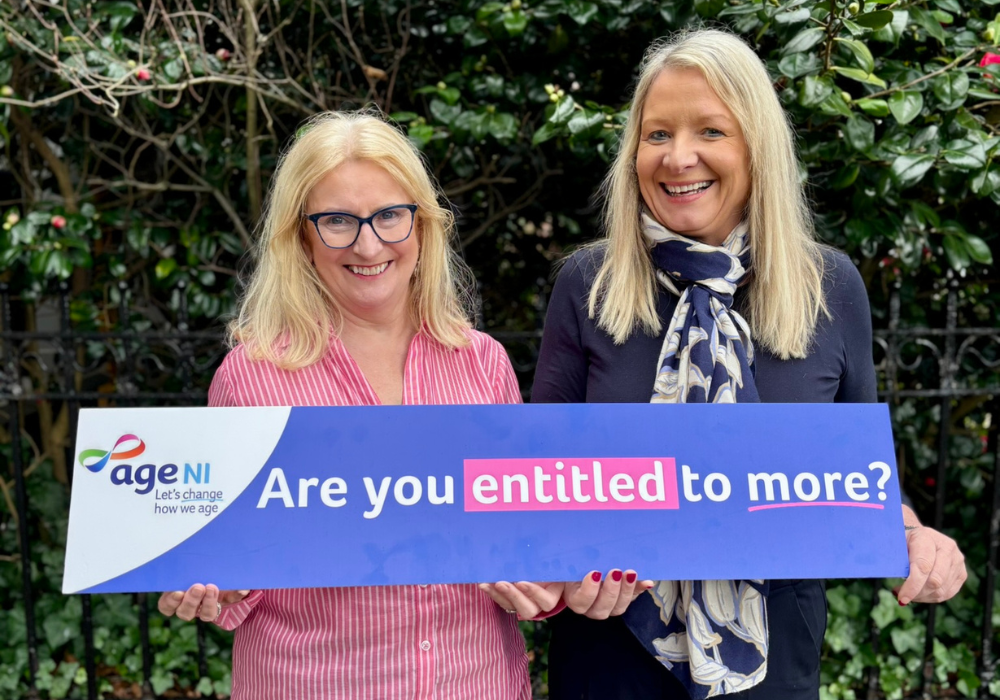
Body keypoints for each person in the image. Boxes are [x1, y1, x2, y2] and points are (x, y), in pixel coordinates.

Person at [531, 29, 967, 700]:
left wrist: (914, 538)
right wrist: (560, 565)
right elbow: (537, 488)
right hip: (610, 649)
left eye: (711, 131)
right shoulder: (587, 285)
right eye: (656, 134)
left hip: (774, 654)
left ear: (757, 145)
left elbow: (859, 480)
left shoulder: (829, 286)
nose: (678, 157)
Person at [155, 110, 556, 699]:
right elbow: (234, 566)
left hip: (477, 682)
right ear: (301, 236)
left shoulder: (483, 364)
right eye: (338, 221)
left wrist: (543, 582)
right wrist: (221, 583)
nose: (369, 244)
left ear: (423, 224)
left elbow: (522, 541)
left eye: (390, 215)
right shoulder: (252, 379)